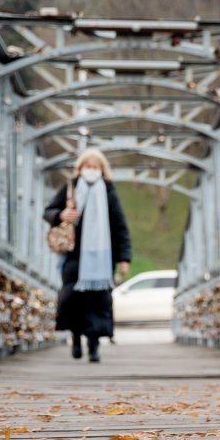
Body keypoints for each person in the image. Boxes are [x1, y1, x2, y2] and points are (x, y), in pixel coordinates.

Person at [44, 149, 131, 362]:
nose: (91, 170)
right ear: (80, 168)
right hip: (73, 256)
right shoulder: (70, 188)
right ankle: (75, 336)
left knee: (97, 300)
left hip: (101, 257)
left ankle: (94, 345)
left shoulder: (109, 192)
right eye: (87, 166)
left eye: (95, 167)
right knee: (71, 298)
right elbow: (48, 211)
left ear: (102, 170)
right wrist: (61, 214)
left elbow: (120, 226)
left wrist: (124, 258)